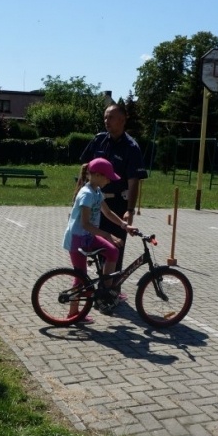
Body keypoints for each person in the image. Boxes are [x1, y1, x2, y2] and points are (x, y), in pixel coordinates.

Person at [80, 103, 147, 296]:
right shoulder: (99, 140)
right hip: (94, 202)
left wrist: (130, 209)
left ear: (123, 120)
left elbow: (134, 181)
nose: (106, 121)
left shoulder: (131, 147)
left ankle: (110, 290)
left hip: (117, 204)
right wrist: (78, 195)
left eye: (110, 117)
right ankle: (96, 288)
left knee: (116, 247)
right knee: (94, 245)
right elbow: (85, 168)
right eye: (105, 117)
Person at [64, 157, 135, 322]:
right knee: (81, 278)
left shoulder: (97, 192)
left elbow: (108, 213)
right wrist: (108, 235)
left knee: (112, 252)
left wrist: (125, 225)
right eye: (107, 177)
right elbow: (86, 224)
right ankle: (73, 312)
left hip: (88, 237)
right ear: (96, 175)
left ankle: (106, 290)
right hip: (77, 239)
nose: (109, 180)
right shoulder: (86, 194)